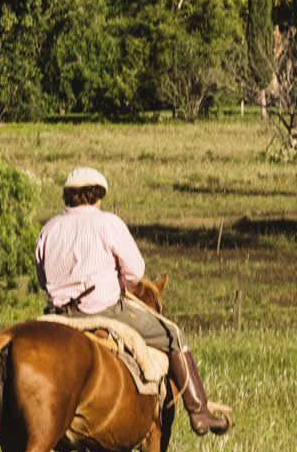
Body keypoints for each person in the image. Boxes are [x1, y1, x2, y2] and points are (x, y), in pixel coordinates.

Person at [34, 166, 230, 435]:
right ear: (97, 195)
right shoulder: (109, 223)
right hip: (103, 310)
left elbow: (42, 280)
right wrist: (118, 282)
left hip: (59, 314)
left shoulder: (48, 229)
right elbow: (136, 271)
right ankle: (200, 412)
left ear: (69, 196)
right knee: (173, 333)